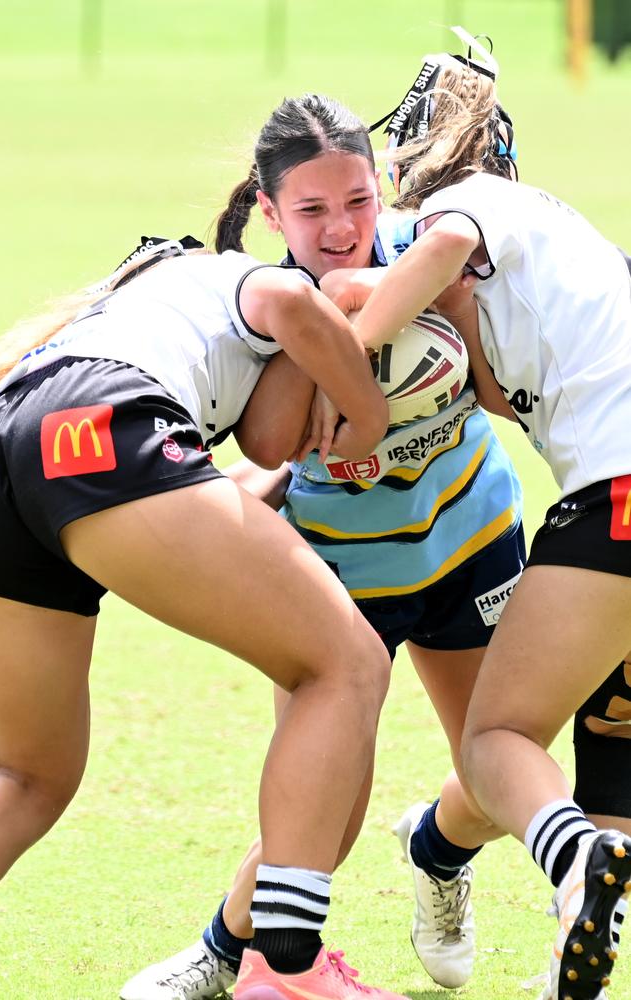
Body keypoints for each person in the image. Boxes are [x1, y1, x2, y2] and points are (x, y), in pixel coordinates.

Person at [120, 90, 527, 1000]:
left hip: (473, 537)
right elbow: (258, 449)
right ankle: (227, 955)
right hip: (342, 575)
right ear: (269, 214)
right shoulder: (262, 317)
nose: (342, 228)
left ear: (382, 185)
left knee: (503, 772)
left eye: (357, 199)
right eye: (311, 210)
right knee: (324, 813)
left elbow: (499, 381)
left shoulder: (426, 258)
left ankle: (436, 845)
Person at [0, 234, 419, 1000]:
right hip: (97, 432)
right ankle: (287, 969)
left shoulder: (133, 315)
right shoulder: (255, 280)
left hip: (2, 451)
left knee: (27, 777)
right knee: (347, 664)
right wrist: (367, 409)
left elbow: (220, 488)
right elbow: (291, 306)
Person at [324, 41, 631, 1000]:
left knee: (498, 740)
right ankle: (541, 914)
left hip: (615, 506)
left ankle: (572, 862)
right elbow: (504, 392)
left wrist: (347, 349)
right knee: (608, 763)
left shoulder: (475, 208)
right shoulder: (563, 242)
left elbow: (448, 245)